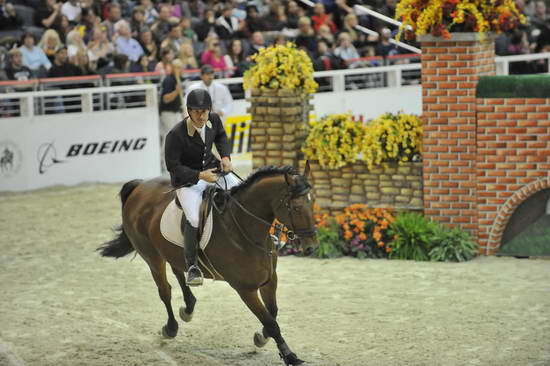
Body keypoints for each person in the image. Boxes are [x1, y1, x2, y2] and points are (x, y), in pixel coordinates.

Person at [164, 88, 239, 286]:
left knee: (240, 190)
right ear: (188, 111)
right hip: (188, 181)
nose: (201, 115)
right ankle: (192, 266)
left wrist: (225, 157)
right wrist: (199, 176)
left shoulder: (213, 119)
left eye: (205, 111)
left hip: (212, 171)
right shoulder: (175, 134)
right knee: (194, 218)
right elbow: (173, 166)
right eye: (197, 111)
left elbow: (221, 136)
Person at [159, 58, 185, 172]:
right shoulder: (169, 80)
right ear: (173, 68)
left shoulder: (179, 80)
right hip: (168, 113)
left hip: (176, 112)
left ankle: (176, 162)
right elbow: (165, 99)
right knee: (169, 138)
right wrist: (176, 91)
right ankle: (164, 164)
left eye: (181, 67)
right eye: (178, 67)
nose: (180, 70)